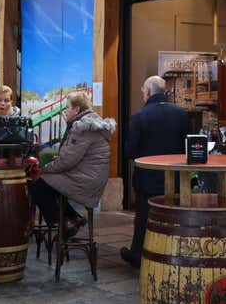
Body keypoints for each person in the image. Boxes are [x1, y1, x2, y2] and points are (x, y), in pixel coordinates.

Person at [121, 76, 190, 268]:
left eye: (143, 91)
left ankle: (138, 254)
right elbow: (188, 147)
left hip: (147, 179)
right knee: (172, 218)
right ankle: (173, 254)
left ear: (149, 92)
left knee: (143, 219)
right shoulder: (182, 114)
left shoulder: (139, 116)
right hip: (174, 178)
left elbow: (130, 151)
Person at [30, 91, 115, 235]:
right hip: (91, 178)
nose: (65, 111)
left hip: (85, 181)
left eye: (67, 107)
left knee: (38, 185)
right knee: (50, 186)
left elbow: (66, 161)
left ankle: (65, 223)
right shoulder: (89, 124)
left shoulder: (82, 128)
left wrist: (44, 169)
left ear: (76, 109)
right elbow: (70, 157)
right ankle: (72, 218)